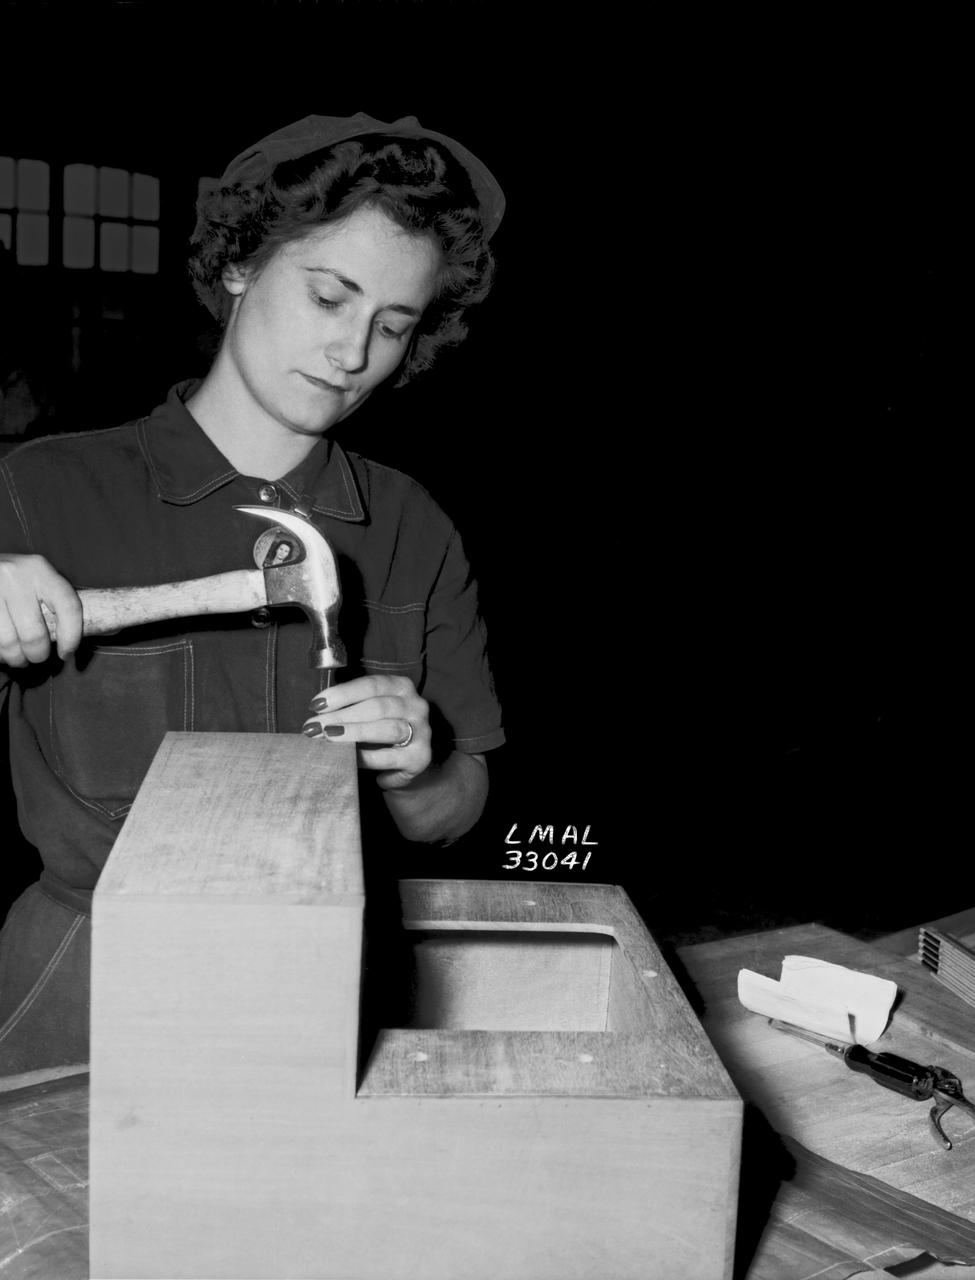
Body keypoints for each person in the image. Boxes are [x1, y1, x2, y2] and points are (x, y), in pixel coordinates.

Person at [0, 113, 505, 1075]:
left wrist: (418, 767)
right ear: (240, 264)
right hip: (89, 998)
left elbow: (457, 808)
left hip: (334, 999)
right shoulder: (42, 491)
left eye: (391, 325)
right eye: (328, 296)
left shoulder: (413, 527)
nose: (353, 353)